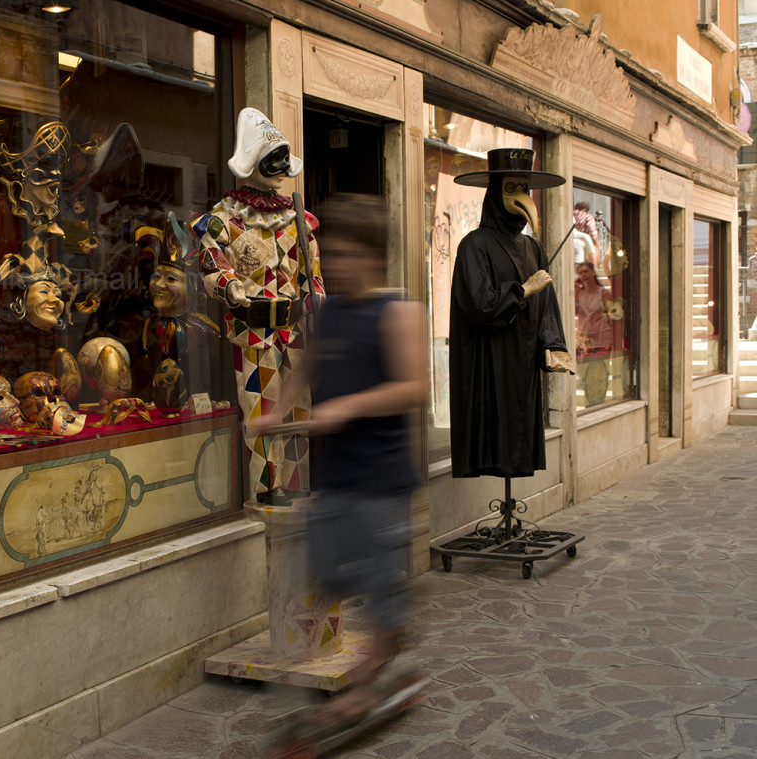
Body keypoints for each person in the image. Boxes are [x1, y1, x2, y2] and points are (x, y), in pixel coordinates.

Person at [256, 191, 427, 720]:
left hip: (380, 477)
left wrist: (349, 406)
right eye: (332, 255)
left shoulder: (398, 312)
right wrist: (278, 408)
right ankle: (394, 624)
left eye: (350, 254)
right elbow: (307, 367)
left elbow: (415, 387)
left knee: (374, 580)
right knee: (327, 569)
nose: (339, 265)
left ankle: (367, 679)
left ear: (374, 256)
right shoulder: (325, 312)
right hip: (333, 477)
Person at [192, 108, 324, 506]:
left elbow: (311, 266)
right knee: (262, 409)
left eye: (285, 159)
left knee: (301, 407)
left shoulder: (296, 218)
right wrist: (229, 287)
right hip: (255, 331)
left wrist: (316, 293)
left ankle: (299, 480)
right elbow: (212, 263)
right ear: (253, 162)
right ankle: (268, 488)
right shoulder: (224, 219)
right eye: (275, 160)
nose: (283, 168)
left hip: (296, 328)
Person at [450, 148, 574, 479]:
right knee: (494, 430)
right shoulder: (473, 245)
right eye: (510, 189)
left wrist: (553, 346)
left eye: (524, 188)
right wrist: (523, 289)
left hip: (524, 363)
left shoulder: (533, 248)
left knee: (520, 431)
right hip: (490, 361)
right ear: (495, 193)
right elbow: (479, 303)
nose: (520, 197)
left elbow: (548, 303)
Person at [574, 261, 613, 354]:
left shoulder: (604, 293)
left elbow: (613, 315)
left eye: (586, 271)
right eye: (580, 273)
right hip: (585, 337)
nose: (583, 274)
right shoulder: (579, 294)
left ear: (593, 272)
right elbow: (574, 311)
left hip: (603, 335)